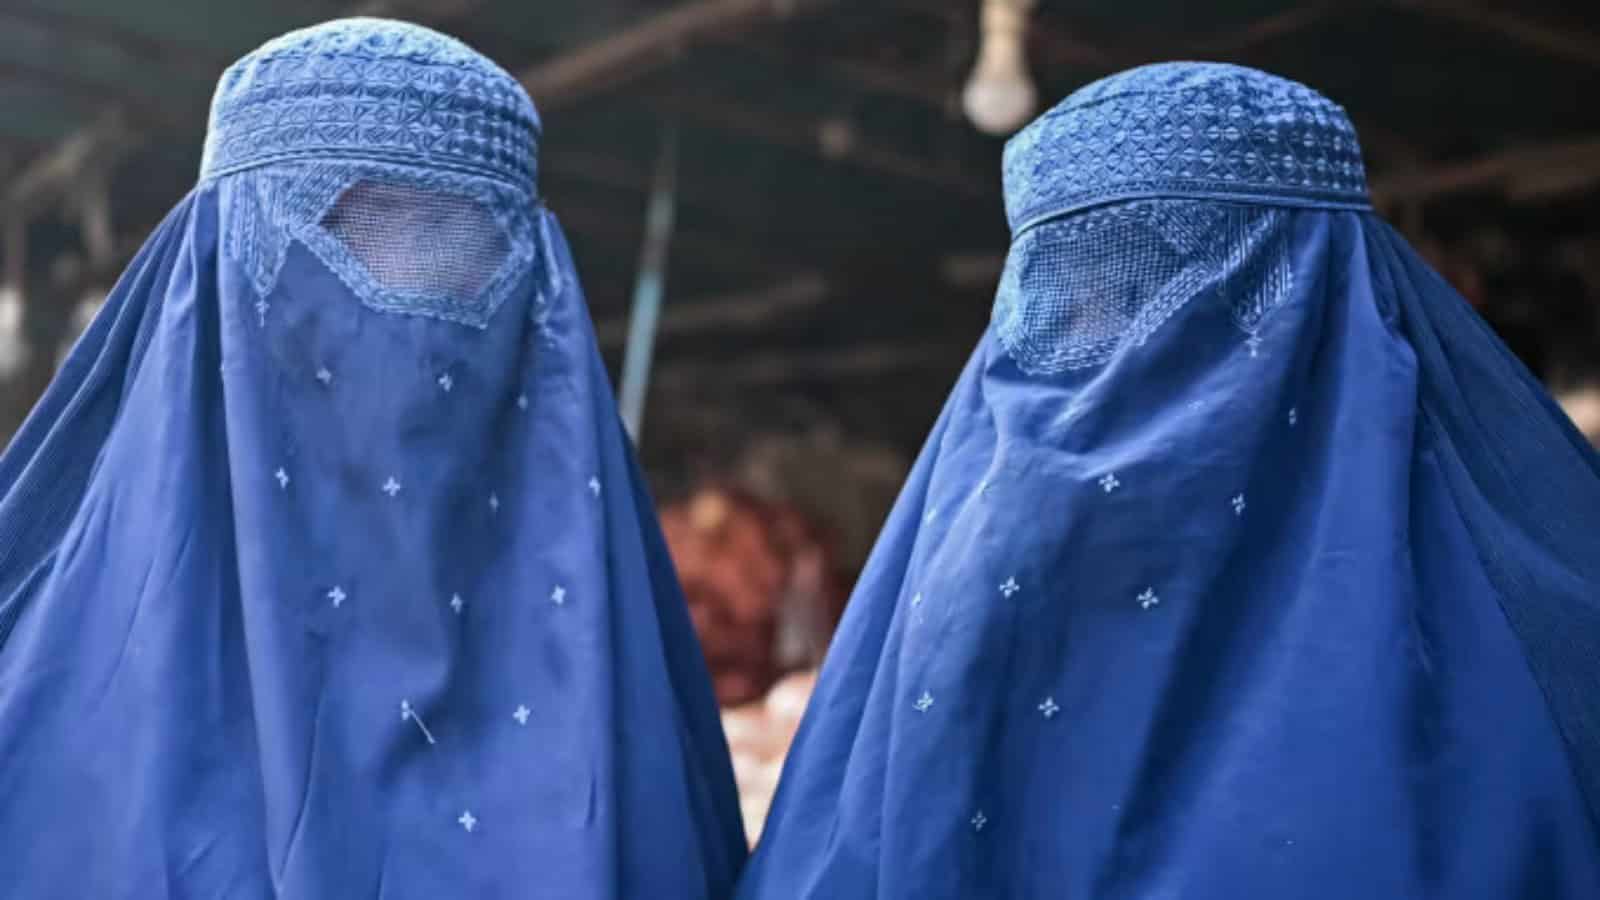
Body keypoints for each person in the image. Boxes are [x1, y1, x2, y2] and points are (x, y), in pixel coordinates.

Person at [736, 63, 1600, 898]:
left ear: (1313, 289)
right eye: (1067, 311)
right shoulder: (991, 545)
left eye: (1164, 297)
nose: (1111, 357)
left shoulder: (1530, 595)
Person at [0, 19, 743, 898]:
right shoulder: (40, 699)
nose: (407, 321)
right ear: (219, 271)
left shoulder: (624, 684)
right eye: (349, 241)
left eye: (459, 255)